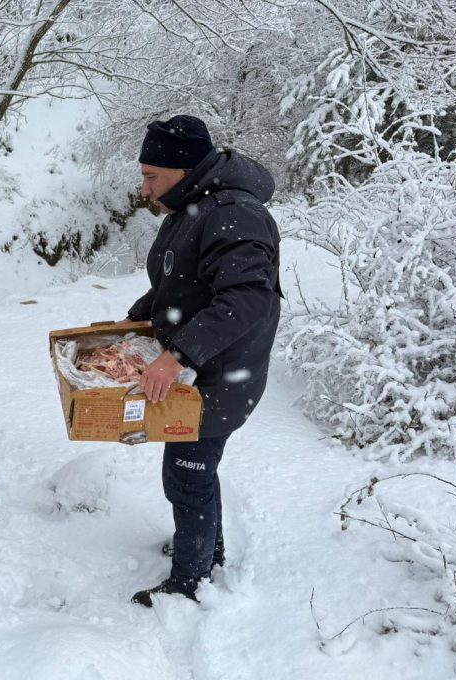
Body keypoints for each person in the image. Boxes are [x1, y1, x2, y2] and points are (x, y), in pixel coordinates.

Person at [126, 115, 282, 605]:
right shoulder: (193, 204)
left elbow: (247, 297)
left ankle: (190, 582)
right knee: (194, 470)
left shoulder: (234, 213)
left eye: (153, 176)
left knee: (187, 472)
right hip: (204, 369)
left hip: (220, 374)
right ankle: (205, 549)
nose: (145, 188)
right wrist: (138, 317)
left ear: (186, 169)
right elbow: (183, 280)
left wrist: (177, 356)